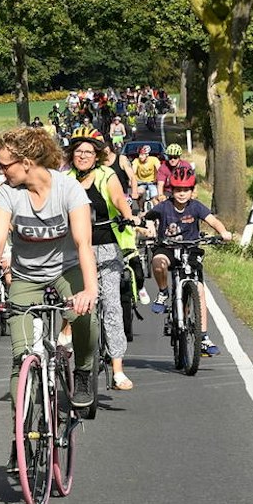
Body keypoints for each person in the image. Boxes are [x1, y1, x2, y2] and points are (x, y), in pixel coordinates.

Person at [0, 125, 101, 410]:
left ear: (27, 163)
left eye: (4, 164)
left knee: (85, 317)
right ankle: (20, 443)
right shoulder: (6, 193)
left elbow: (83, 244)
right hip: (26, 276)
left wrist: (90, 290)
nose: (0, 170)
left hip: (66, 270)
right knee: (22, 357)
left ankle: (82, 370)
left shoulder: (68, 189)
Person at [67, 136, 141, 391]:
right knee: (76, 305)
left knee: (111, 305)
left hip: (106, 249)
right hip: (75, 251)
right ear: (72, 155)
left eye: (88, 152)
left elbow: (120, 200)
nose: (83, 156)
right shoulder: (65, 180)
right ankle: (75, 355)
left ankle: (118, 369)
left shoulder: (106, 175)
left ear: (96, 155)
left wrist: (128, 217)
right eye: (79, 152)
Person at [140, 161, 234, 355]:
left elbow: (213, 221)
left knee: (199, 289)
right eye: (177, 190)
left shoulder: (196, 207)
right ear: (171, 190)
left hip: (189, 250)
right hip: (167, 248)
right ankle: (164, 292)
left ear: (192, 191)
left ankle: (203, 337)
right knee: (158, 263)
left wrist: (224, 232)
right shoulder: (164, 207)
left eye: (186, 189)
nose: (181, 193)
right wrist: (148, 228)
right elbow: (147, 216)